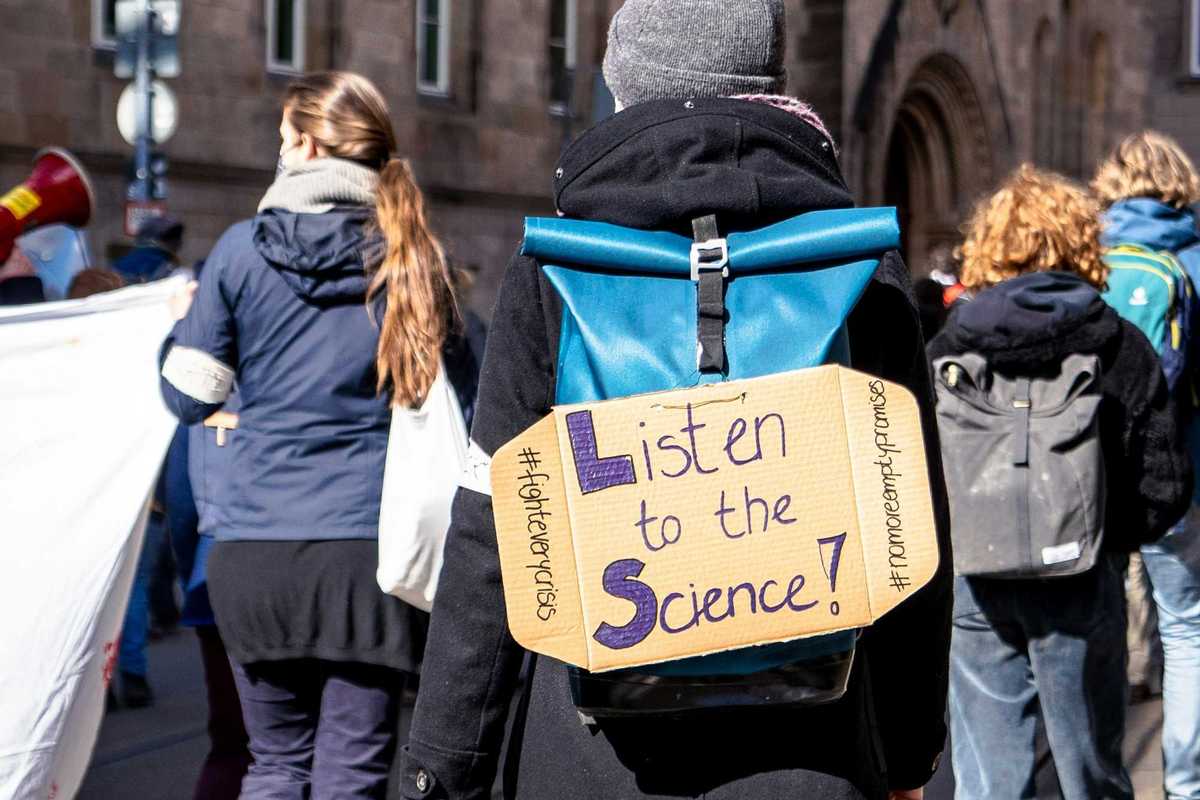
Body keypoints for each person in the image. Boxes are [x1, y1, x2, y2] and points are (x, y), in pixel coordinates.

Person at [397, 3, 953, 799]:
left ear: (623, 90)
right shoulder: (863, 270)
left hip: (596, 752)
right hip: (812, 748)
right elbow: (912, 533)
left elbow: (493, 533)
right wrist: (907, 754)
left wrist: (443, 767)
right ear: (771, 82)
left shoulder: (554, 272)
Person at [159, 71, 480, 798]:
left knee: (273, 765)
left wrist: (186, 323)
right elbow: (477, 389)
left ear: (303, 144)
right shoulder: (411, 259)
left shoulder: (240, 253)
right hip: (365, 555)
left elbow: (187, 397)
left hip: (252, 550)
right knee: (354, 769)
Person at [927, 165, 1192, 800]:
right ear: (1081, 243)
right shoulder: (1118, 344)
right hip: (1083, 574)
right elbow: (1160, 483)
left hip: (977, 579)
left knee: (989, 777)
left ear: (988, 244)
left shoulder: (949, 347)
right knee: (1091, 773)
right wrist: (1110, 540)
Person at [1092, 131, 1200, 800]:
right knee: (1186, 625)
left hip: (1093, 473)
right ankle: (1185, 784)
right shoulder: (1193, 258)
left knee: (1099, 621)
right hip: (1180, 473)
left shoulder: (1088, 256)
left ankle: (1103, 777)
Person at [114, 215, 185, 283]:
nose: (178, 241)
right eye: (170, 237)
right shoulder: (163, 264)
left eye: (177, 237)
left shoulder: (122, 261)